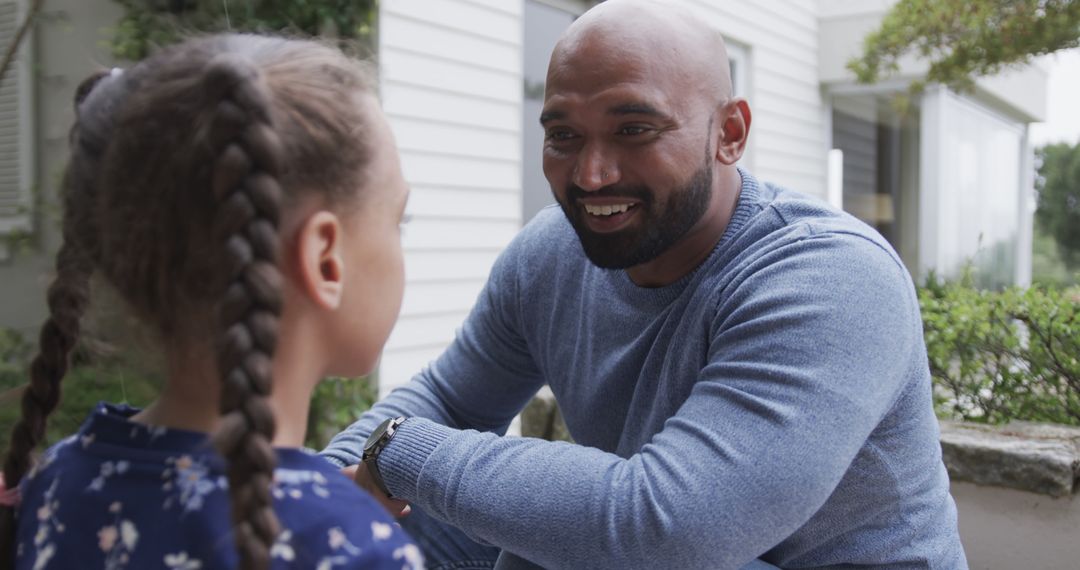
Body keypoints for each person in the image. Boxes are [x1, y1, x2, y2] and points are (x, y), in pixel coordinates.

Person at [322, 1, 968, 568]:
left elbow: (670, 529)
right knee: (361, 531)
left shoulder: (829, 277)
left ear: (730, 133)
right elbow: (452, 399)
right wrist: (313, 491)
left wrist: (402, 449)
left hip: (706, 551)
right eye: (564, 136)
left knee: (563, 553)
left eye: (635, 130)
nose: (592, 174)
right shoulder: (548, 256)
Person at [0, 34, 422, 570]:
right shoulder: (356, 547)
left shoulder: (56, 484)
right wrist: (337, 523)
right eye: (397, 221)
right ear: (325, 261)